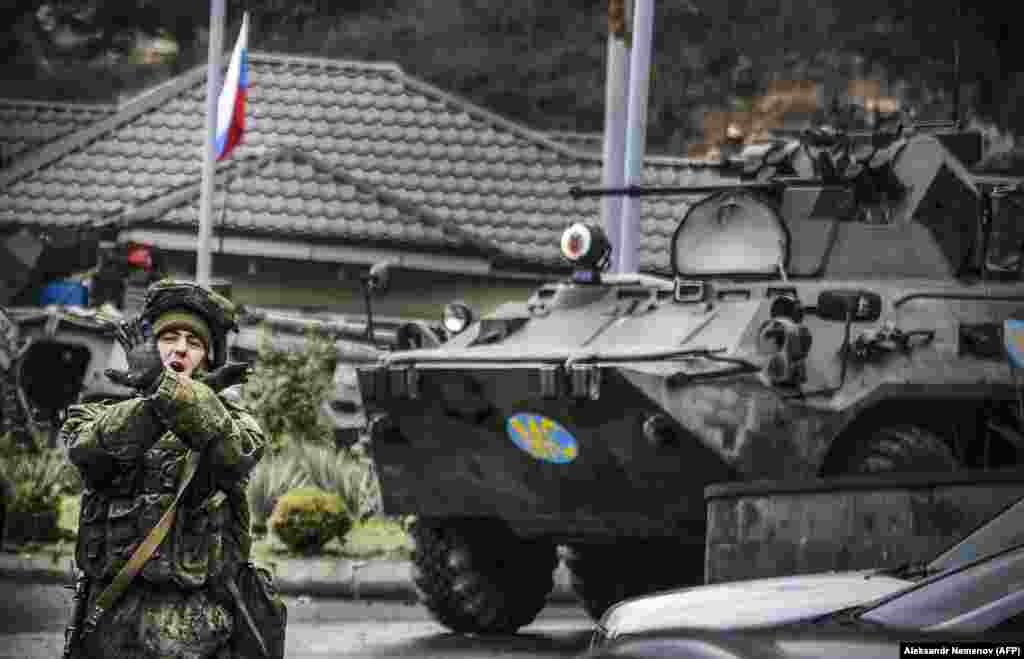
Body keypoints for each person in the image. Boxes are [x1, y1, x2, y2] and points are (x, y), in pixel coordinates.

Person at [60, 279, 276, 659]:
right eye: (168, 338)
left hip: (195, 625)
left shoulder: (233, 421)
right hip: (111, 622)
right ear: (143, 349)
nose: (180, 348)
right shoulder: (97, 410)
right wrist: (162, 394)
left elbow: (236, 454)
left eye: (194, 343)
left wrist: (168, 388)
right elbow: (87, 450)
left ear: (208, 359)